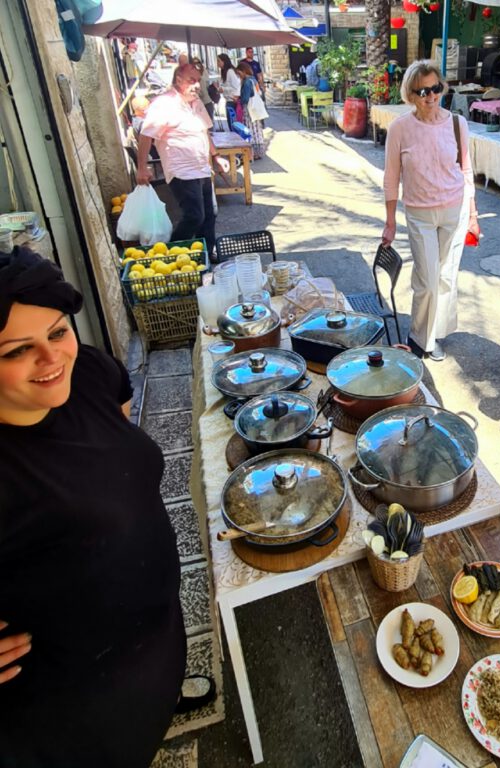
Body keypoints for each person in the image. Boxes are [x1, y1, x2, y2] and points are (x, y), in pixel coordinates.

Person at [0, 248, 213, 766]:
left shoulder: (89, 372)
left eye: (56, 332)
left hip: (154, 636)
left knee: (156, 700)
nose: (52, 360)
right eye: (15, 351)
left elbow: (121, 448)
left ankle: (167, 697)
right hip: (74, 702)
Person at [381, 59, 480, 362]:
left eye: (435, 89)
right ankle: (420, 338)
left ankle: (436, 332)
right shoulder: (400, 128)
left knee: (446, 277)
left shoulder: (456, 123)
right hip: (420, 213)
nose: (430, 96)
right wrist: (389, 222)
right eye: (422, 91)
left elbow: (466, 170)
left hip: (454, 210)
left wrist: (473, 216)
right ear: (410, 94)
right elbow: (391, 177)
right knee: (426, 280)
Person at [136, 64, 220, 254]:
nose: (197, 85)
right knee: (194, 216)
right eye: (192, 80)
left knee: (209, 216)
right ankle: (171, 253)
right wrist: (142, 167)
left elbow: (204, 131)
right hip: (181, 171)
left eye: (198, 80)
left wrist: (216, 156)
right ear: (178, 80)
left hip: (202, 168)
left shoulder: (196, 102)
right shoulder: (164, 104)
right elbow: (146, 135)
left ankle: (206, 253)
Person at [236, 61, 265, 159]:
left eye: (239, 73)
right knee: (257, 130)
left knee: (250, 130)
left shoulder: (247, 82)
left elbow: (245, 98)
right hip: (255, 109)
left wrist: (238, 99)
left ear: (243, 71)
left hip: (249, 110)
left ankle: (251, 153)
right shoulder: (253, 79)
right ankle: (258, 152)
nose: (238, 75)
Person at [217, 53, 241, 131]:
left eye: (219, 61)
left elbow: (236, 86)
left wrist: (223, 89)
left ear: (224, 61)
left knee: (233, 123)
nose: (217, 63)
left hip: (232, 100)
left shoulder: (230, 71)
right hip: (228, 100)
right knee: (231, 123)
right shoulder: (224, 72)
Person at [192, 56, 215, 122]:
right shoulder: (196, 77)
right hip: (200, 104)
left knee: (208, 124)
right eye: (194, 63)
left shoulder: (202, 76)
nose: (196, 65)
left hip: (206, 103)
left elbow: (203, 92)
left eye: (198, 62)